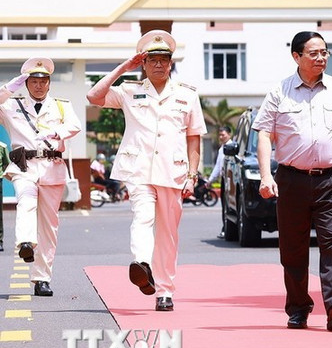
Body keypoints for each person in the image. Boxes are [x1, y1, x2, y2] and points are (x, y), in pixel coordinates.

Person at [251, 31, 332, 332]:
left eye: (324, 52)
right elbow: (263, 133)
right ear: (296, 57)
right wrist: (265, 175)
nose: (321, 58)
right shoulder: (279, 92)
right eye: (313, 53)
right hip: (292, 180)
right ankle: (298, 308)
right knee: (293, 249)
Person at [87, 30, 206, 312]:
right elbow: (94, 96)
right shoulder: (129, 90)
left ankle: (164, 290)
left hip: (173, 172)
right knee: (142, 217)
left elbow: (194, 136)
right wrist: (123, 68)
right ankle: (142, 264)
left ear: (170, 63)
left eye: (164, 60)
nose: (158, 65)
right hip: (138, 168)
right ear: (143, 63)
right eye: (152, 59)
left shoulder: (187, 95)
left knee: (168, 234)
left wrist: (193, 173)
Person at [0, 58, 82, 296]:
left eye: (43, 81)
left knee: (49, 225)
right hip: (23, 165)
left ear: (49, 83)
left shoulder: (61, 106)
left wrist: (56, 131)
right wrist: (8, 88)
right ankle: (26, 243)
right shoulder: (11, 105)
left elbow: (74, 126)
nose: (38, 85)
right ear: (26, 84)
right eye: (33, 81)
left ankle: (42, 278)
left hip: (51, 165)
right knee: (25, 200)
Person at [210, 126, 232, 238]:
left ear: (229, 134)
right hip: (224, 179)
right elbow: (218, 167)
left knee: (229, 205)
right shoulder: (221, 149)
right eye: (220, 135)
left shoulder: (232, 147)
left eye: (223, 134)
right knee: (224, 205)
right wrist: (210, 180)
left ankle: (227, 229)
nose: (221, 137)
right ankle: (225, 228)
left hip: (230, 179)